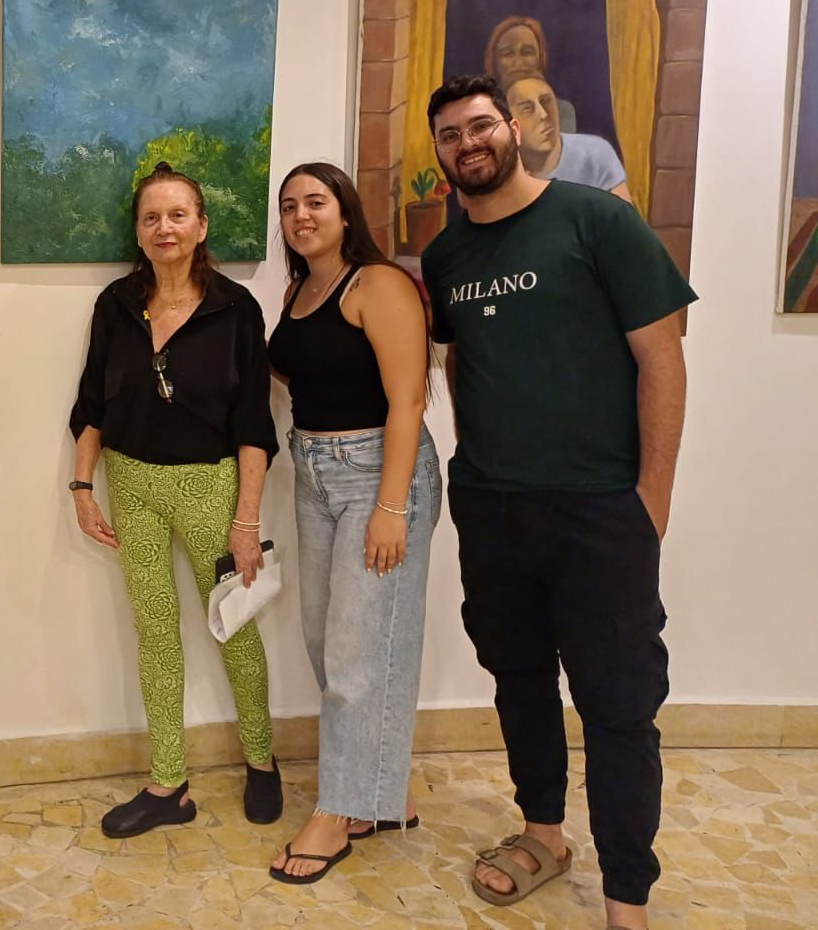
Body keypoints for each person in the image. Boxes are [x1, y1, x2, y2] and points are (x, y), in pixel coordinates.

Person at [420, 75, 693, 930]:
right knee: (520, 680)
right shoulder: (447, 257)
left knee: (619, 707)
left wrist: (651, 502)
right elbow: (461, 363)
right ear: (439, 154)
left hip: (600, 511)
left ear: (513, 128)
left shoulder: (597, 220)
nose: (468, 143)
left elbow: (663, 358)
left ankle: (626, 901)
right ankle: (543, 835)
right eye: (450, 134)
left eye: (480, 125)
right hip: (493, 508)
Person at [68, 161, 283, 837]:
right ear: (138, 231)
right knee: (155, 633)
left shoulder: (235, 309)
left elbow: (254, 423)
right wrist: (82, 486)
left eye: (178, 215)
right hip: (130, 485)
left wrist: (246, 521)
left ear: (201, 226)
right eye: (151, 217)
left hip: (210, 487)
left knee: (235, 626)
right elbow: (92, 403)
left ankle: (261, 760)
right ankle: (169, 785)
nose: (165, 227)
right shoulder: (116, 305)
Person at [264, 162, 440, 884]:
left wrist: (392, 507)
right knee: (325, 639)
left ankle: (338, 812)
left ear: (345, 212)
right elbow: (301, 367)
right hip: (315, 472)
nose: (301, 216)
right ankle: (376, 792)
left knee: (359, 649)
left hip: (378, 476)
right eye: (289, 206)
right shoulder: (299, 291)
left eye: (316, 202)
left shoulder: (379, 284)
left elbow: (408, 401)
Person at [507, 75, 631, 201]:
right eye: (527, 109)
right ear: (512, 126)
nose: (543, 114)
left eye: (546, 101)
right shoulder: (504, 173)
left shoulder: (596, 153)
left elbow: (623, 212)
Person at [484, 15, 579, 136]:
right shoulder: (483, 112)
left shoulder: (561, 111)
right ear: (494, 62)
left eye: (527, 52)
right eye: (507, 53)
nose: (518, 62)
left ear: (540, 59)